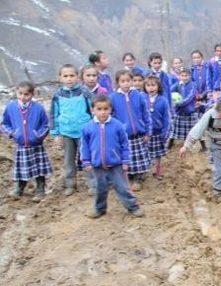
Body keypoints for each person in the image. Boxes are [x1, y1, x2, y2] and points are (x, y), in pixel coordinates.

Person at [81, 95, 143, 218]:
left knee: (122, 187)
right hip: (97, 165)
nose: (103, 112)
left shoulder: (117, 125)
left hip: (116, 165)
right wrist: (86, 162)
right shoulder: (87, 127)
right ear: (92, 110)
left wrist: (125, 160)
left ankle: (133, 207)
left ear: (110, 110)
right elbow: (85, 147)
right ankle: (99, 209)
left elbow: (125, 144)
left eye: (106, 109)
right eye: (99, 109)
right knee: (100, 189)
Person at [179, 97, 221, 202]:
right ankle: (218, 192)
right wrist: (186, 146)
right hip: (217, 147)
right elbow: (197, 130)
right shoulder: (210, 116)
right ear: (218, 110)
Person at [2, 81, 52, 201]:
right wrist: (12, 133)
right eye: (20, 94)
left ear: (32, 94)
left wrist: (38, 135)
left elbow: (45, 125)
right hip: (21, 144)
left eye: (26, 94)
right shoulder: (11, 107)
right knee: (22, 167)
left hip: (36, 144)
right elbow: (5, 123)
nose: (23, 97)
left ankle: (40, 189)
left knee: (39, 168)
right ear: (16, 92)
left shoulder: (38, 108)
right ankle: (20, 187)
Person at [50, 64, 94, 196]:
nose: (69, 79)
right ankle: (70, 184)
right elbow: (53, 115)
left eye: (72, 75)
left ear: (78, 77)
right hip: (66, 132)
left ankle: (92, 184)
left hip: (83, 131)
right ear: (60, 78)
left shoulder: (84, 92)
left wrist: (94, 127)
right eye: (65, 76)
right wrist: (55, 133)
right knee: (69, 159)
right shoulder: (58, 95)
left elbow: (93, 109)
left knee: (87, 158)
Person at [110, 70, 152, 191]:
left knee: (139, 158)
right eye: (122, 81)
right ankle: (128, 177)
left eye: (128, 81)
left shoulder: (138, 95)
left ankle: (138, 178)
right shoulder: (113, 98)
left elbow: (146, 114)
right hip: (124, 136)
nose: (126, 84)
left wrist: (148, 131)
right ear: (118, 83)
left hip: (138, 133)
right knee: (126, 158)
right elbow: (111, 117)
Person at [143, 75, 171, 180]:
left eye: (153, 85)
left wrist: (165, 133)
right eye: (148, 85)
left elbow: (166, 118)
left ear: (158, 87)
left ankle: (158, 171)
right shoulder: (142, 98)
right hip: (146, 133)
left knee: (158, 154)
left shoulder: (163, 100)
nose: (151, 88)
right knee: (146, 153)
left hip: (158, 132)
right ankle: (144, 172)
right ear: (145, 87)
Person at [170, 67, 197, 144]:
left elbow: (190, 97)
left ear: (190, 76)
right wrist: (172, 101)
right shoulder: (177, 85)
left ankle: (204, 146)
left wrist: (179, 103)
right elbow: (170, 92)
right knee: (174, 130)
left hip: (190, 111)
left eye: (186, 75)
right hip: (179, 111)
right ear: (179, 76)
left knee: (195, 129)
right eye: (182, 75)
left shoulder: (193, 85)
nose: (184, 77)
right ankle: (170, 145)